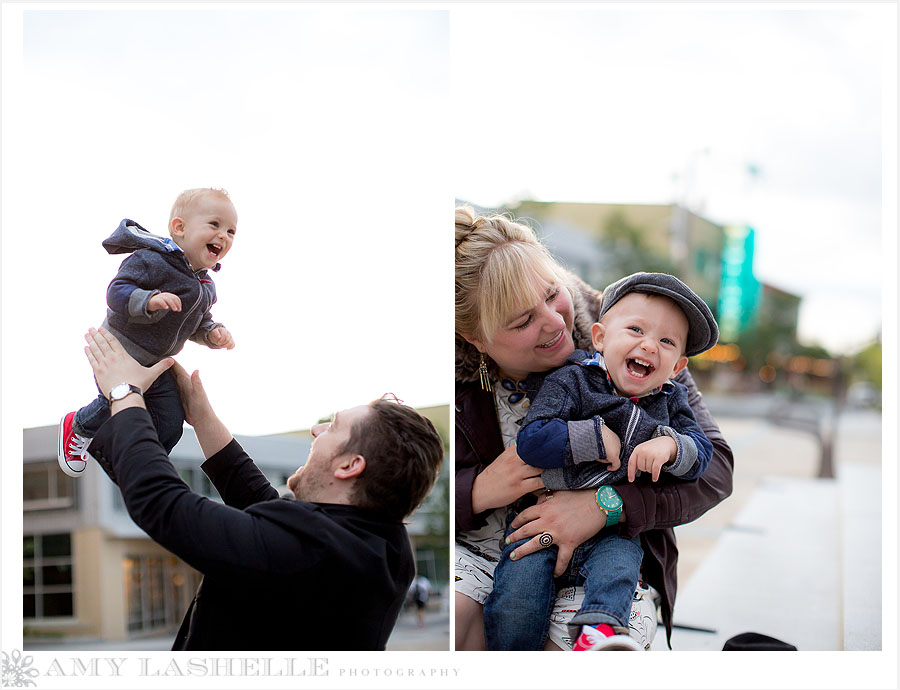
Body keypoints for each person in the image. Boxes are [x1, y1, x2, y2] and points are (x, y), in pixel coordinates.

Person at [454, 206, 734, 651]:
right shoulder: (449, 383)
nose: (554, 322)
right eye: (523, 320)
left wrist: (608, 504)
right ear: (477, 339)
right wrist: (477, 490)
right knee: (464, 615)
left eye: (552, 294)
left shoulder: (639, 328)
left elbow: (716, 467)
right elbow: (412, 494)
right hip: (494, 545)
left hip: (610, 546)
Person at [80, 326, 444, 650]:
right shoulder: (377, 546)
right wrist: (201, 415)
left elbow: (162, 504)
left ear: (350, 466)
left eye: (332, 428)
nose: (317, 431)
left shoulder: (314, 554)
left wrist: (123, 392)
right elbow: (264, 507)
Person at [58, 188, 238, 477]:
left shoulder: (205, 286)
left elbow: (199, 321)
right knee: (117, 397)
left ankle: (142, 464)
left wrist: (212, 333)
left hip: (157, 361)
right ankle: (78, 425)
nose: (224, 236)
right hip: (120, 350)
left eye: (231, 231)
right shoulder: (152, 259)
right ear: (179, 228)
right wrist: (149, 300)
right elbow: (116, 292)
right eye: (214, 225)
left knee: (171, 421)